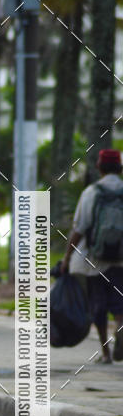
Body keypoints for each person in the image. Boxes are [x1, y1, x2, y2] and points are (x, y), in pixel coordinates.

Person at [62, 148, 123, 363]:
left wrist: (67, 257)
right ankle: (120, 330)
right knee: (119, 302)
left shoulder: (92, 192)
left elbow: (79, 229)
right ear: (120, 168)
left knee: (99, 306)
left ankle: (106, 353)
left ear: (99, 167)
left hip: (95, 260)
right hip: (120, 260)